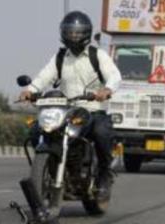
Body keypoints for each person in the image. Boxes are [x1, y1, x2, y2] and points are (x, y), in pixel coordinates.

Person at [19, 11, 122, 197]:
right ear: (63, 33)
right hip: (66, 110)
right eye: (70, 32)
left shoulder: (97, 55)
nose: (73, 36)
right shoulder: (60, 57)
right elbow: (44, 77)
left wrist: (106, 90)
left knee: (101, 132)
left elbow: (114, 76)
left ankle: (104, 175)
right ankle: (50, 168)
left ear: (86, 33)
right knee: (36, 130)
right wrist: (30, 90)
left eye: (77, 32)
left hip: (92, 110)